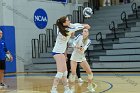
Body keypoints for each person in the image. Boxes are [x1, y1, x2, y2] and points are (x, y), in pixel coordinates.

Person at [50, 16, 90, 93]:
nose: (69, 21)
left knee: (65, 72)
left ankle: (66, 89)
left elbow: (74, 25)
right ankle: (53, 89)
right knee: (60, 72)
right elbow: (75, 28)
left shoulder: (65, 26)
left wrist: (84, 25)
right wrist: (84, 26)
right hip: (57, 52)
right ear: (64, 23)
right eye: (68, 20)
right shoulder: (65, 30)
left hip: (61, 52)